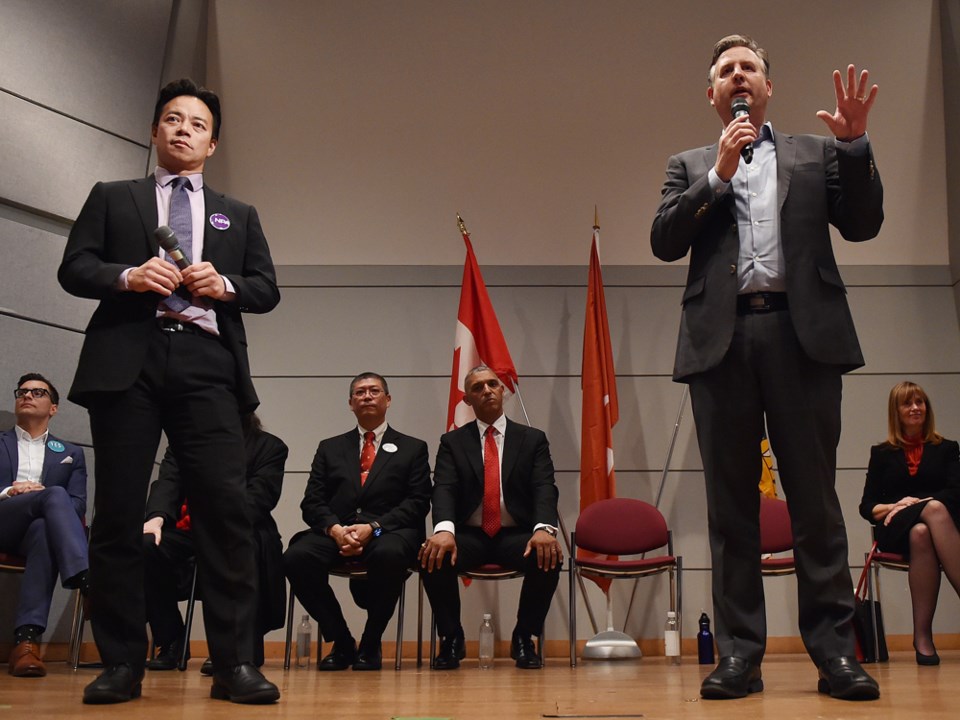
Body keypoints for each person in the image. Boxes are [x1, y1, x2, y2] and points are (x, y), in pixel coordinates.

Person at [650, 35, 883, 700]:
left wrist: (857, 146)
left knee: (815, 506)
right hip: (721, 344)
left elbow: (864, 223)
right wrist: (718, 174)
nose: (738, 76)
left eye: (748, 67)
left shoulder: (815, 153)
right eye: (726, 70)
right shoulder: (690, 162)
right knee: (731, 511)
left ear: (767, 86)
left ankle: (835, 654)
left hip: (801, 336)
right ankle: (740, 656)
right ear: (712, 94)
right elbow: (665, 240)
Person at [57, 78, 281, 704]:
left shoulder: (238, 214)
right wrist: (127, 275)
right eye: (173, 120)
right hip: (128, 360)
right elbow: (74, 267)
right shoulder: (113, 197)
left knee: (226, 513)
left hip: (207, 363)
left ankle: (234, 663)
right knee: (121, 515)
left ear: (213, 143)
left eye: (197, 123)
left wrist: (225, 284)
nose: (184, 129)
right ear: (155, 131)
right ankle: (123, 662)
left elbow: (266, 288)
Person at [283, 372, 431, 670]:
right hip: (336, 531)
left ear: (387, 400)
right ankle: (341, 640)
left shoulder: (413, 447)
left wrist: (373, 528)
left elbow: (417, 502)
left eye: (374, 391)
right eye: (359, 392)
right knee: (296, 557)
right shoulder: (330, 447)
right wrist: (336, 530)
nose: (366, 396)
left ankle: (371, 642)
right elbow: (312, 501)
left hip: (387, 532)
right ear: (350, 404)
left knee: (389, 553)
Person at [419, 365, 563, 670]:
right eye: (478, 387)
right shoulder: (453, 442)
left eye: (492, 384)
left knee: (547, 554)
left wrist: (544, 529)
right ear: (468, 400)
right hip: (469, 534)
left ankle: (525, 638)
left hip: (516, 533)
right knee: (433, 555)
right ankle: (452, 639)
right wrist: (444, 530)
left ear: (502, 391)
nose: (486, 390)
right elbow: (443, 488)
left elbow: (544, 487)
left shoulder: (532, 439)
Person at [143, 412, 288, 673]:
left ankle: (234, 651)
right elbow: (167, 482)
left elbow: (260, 496)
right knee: (147, 545)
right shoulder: (183, 442)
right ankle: (172, 641)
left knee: (246, 549)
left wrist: (221, 521)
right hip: (188, 528)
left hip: (240, 526)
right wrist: (156, 518)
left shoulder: (270, 447)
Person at [859, 381, 960, 666]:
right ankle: (923, 636)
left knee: (922, 531)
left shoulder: (948, 448)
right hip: (894, 528)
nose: (915, 408)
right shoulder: (881, 453)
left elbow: (956, 492)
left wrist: (917, 504)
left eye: (920, 402)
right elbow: (867, 506)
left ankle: (923, 637)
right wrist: (896, 506)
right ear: (897, 411)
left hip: (938, 530)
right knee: (930, 514)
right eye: (908, 403)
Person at [1, 373, 88, 678]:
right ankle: (82, 574)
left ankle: (26, 643)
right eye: (22, 391)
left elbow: (77, 506)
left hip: (34, 531)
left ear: (53, 408)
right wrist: (10, 491)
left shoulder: (71, 454)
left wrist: (47, 497)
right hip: (2, 519)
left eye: (38, 392)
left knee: (43, 528)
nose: (27, 395)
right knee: (53, 495)